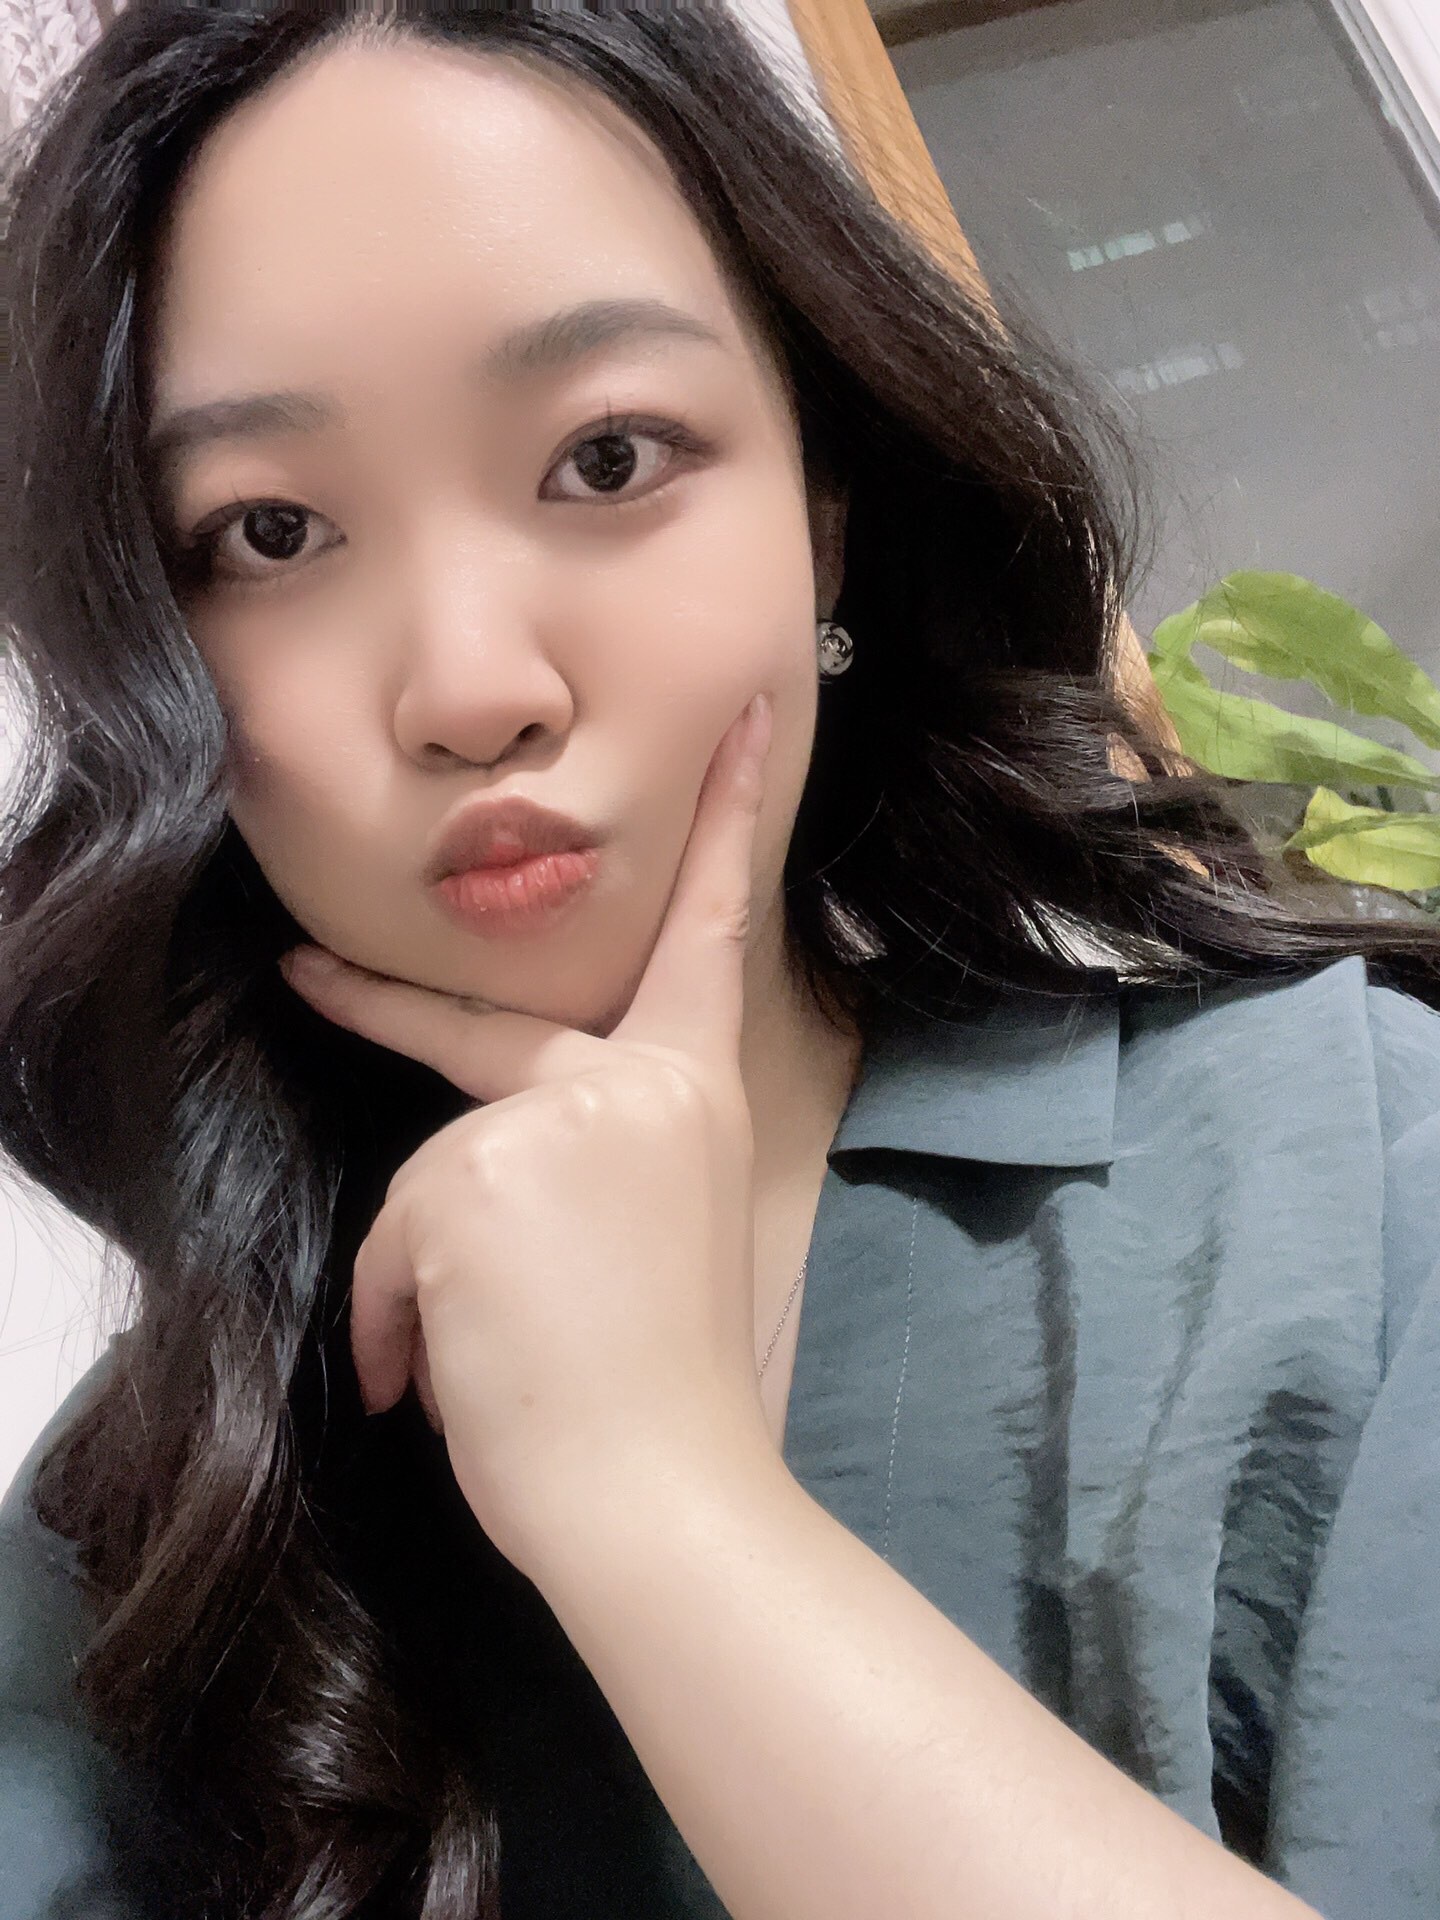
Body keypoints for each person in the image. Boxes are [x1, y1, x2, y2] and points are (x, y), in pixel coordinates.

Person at [0, 4, 1436, 1917]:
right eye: (272, 532)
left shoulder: (1354, 1176)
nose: (472, 687)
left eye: (606, 457)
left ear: (823, 520)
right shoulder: (150, 1517)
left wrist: (657, 1502)